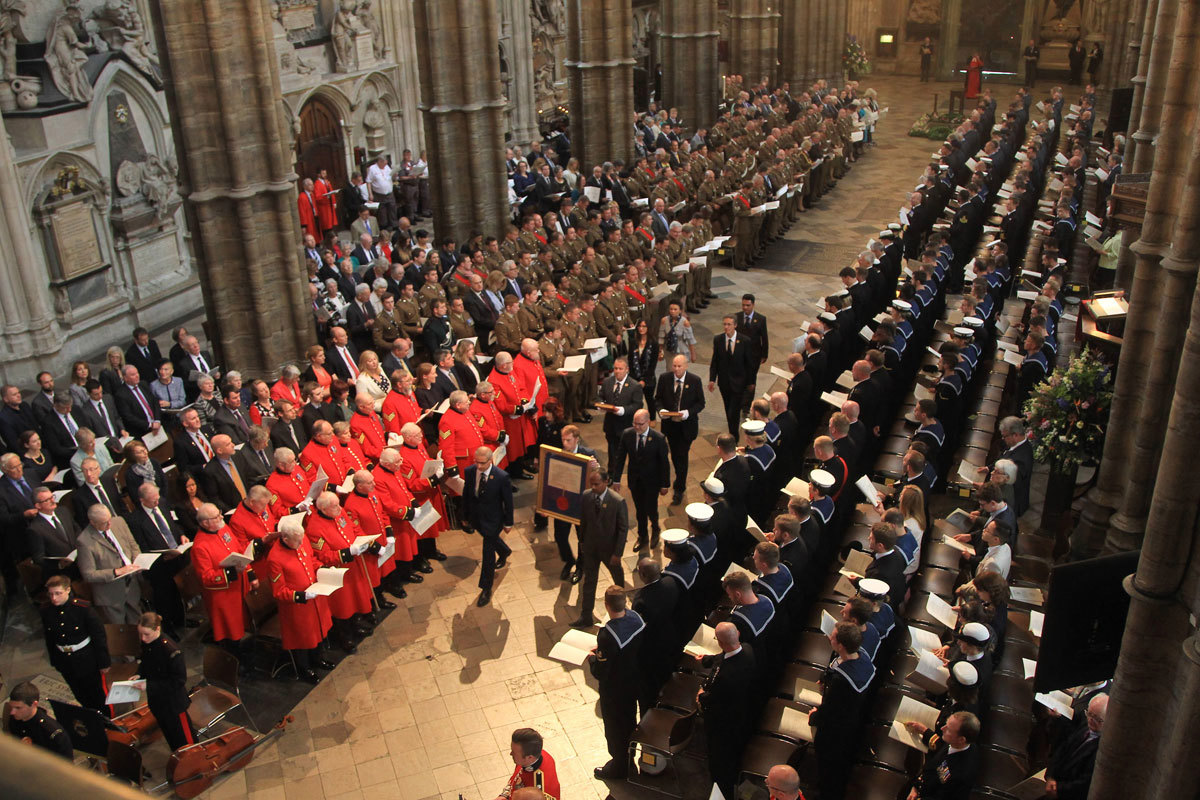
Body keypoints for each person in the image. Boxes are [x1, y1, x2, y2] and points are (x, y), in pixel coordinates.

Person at [810, 621, 875, 800]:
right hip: (852, 716)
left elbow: (831, 711)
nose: (829, 637)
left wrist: (814, 716)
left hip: (837, 730)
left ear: (841, 646)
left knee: (830, 769)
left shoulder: (842, 681)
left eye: (832, 637)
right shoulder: (862, 657)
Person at [266, 518, 335, 683]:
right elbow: (279, 590)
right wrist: (301, 596)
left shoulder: (300, 539)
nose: (300, 543)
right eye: (296, 541)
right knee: (302, 638)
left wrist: (322, 568)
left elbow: (310, 560)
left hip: (314, 598)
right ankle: (305, 668)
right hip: (296, 606)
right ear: (285, 539)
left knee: (317, 630)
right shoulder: (274, 559)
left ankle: (318, 658)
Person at [590, 585, 645, 780]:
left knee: (615, 728)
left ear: (606, 605)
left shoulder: (607, 635)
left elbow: (601, 671)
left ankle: (620, 765)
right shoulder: (636, 619)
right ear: (625, 602)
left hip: (614, 689)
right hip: (634, 681)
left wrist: (593, 659)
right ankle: (630, 754)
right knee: (629, 720)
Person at [697, 622, 756, 799]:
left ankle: (722, 791)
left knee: (720, 759)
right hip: (741, 709)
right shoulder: (747, 649)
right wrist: (707, 659)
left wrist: (701, 695)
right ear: (737, 634)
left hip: (723, 720)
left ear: (720, 642)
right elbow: (722, 657)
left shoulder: (726, 676)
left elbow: (712, 698)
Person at [39, 575, 110, 712]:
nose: (54, 598)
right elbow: (49, 638)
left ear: (68, 590)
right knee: (80, 694)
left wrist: (104, 662)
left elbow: (98, 636)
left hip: (86, 659)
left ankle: (106, 719)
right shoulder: (46, 610)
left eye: (58, 593)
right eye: (51, 594)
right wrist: (55, 661)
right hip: (65, 661)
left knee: (98, 696)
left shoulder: (82, 608)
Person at [571, 467, 629, 627]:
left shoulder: (617, 501)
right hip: (591, 547)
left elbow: (623, 529)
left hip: (610, 550)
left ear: (606, 482)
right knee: (589, 581)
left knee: (618, 583)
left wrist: (618, 553)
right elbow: (583, 522)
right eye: (591, 484)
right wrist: (582, 542)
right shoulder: (586, 496)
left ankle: (622, 612)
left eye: (596, 484)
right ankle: (586, 615)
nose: (593, 487)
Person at [134, 611, 196, 751]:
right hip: (157, 702)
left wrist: (149, 686)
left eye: (146, 634)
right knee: (170, 737)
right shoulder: (148, 643)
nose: (143, 638)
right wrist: (139, 674)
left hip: (174, 704)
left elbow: (178, 681)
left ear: (157, 629)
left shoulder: (170, 650)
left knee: (186, 742)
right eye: (140, 634)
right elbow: (145, 662)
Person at [75, 503, 144, 624]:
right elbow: (88, 574)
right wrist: (116, 572)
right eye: (104, 523)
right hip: (110, 594)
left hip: (131, 583)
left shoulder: (119, 522)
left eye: (109, 519)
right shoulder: (84, 541)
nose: (109, 524)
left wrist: (137, 561)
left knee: (137, 622)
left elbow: (133, 545)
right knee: (119, 629)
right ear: (93, 522)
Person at [612, 409, 670, 552]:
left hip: (652, 481)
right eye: (635, 423)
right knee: (639, 510)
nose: (637, 427)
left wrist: (665, 484)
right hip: (635, 480)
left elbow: (664, 463)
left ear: (648, 422)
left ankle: (655, 529)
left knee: (651, 508)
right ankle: (642, 535)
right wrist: (616, 479)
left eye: (640, 424)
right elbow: (620, 457)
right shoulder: (628, 434)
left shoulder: (658, 438)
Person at [463, 446, 514, 607]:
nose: (479, 466)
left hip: (494, 520)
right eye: (476, 462)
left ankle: (486, 588)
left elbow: (508, 502)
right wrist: (464, 516)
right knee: (489, 539)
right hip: (477, 518)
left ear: (491, 460)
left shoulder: (501, 477)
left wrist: (508, 522)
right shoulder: (470, 471)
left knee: (487, 553)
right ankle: (504, 551)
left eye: (482, 463)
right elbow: (466, 494)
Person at [654, 354, 705, 505]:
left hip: (687, 428)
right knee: (676, 456)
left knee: (681, 456)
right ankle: (679, 480)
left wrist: (689, 412)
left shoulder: (694, 381)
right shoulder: (664, 378)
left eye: (679, 366)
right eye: (674, 366)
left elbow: (701, 403)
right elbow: (658, 399)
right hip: (670, 426)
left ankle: (679, 488)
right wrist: (661, 410)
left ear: (686, 366)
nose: (676, 369)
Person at [1044, 694, 1107, 800]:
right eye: (1089, 714)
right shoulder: (1085, 727)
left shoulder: (1104, 748)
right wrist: (1050, 776)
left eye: (1097, 719)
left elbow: (1086, 783)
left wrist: (1059, 789)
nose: (1091, 720)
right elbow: (1062, 750)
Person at [907, 711, 981, 800]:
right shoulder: (956, 743)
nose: (942, 728)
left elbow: (940, 796)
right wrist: (915, 787)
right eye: (946, 724)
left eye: (948, 729)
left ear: (961, 739)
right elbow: (937, 759)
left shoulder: (961, 773)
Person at [709, 314, 755, 436]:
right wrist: (712, 379)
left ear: (735, 325)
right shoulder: (718, 340)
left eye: (729, 324)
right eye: (724, 324)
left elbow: (750, 364)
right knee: (728, 408)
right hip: (724, 382)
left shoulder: (745, 341)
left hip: (739, 383)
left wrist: (751, 382)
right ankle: (732, 432)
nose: (726, 327)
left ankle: (734, 436)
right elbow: (715, 361)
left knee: (733, 411)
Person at [597, 357, 644, 476]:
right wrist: (601, 404)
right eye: (615, 368)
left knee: (630, 454)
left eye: (620, 369)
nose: (617, 371)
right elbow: (600, 396)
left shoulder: (635, 386)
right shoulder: (607, 382)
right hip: (611, 425)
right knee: (612, 453)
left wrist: (624, 410)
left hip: (626, 426)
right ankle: (612, 475)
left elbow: (638, 405)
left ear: (627, 369)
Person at [6, 682, 73, 759]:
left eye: (18, 708)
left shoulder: (51, 732)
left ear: (34, 704)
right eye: (12, 707)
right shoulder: (15, 719)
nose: (12, 712)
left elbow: (65, 762)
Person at [497, 728, 560, 800]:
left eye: (514, 752)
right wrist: (504, 795)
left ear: (530, 757)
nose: (510, 754)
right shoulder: (532, 754)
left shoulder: (540, 791)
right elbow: (516, 778)